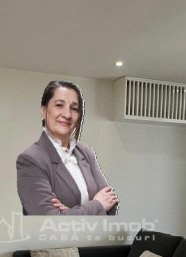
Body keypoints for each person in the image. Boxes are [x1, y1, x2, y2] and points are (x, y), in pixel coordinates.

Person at [16, 80, 118, 215]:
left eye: (74, 109)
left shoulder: (86, 152)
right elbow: (49, 219)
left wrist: (68, 213)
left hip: (96, 230)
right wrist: (97, 205)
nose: (67, 115)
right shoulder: (31, 160)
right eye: (59, 105)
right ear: (44, 111)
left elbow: (111, 204)